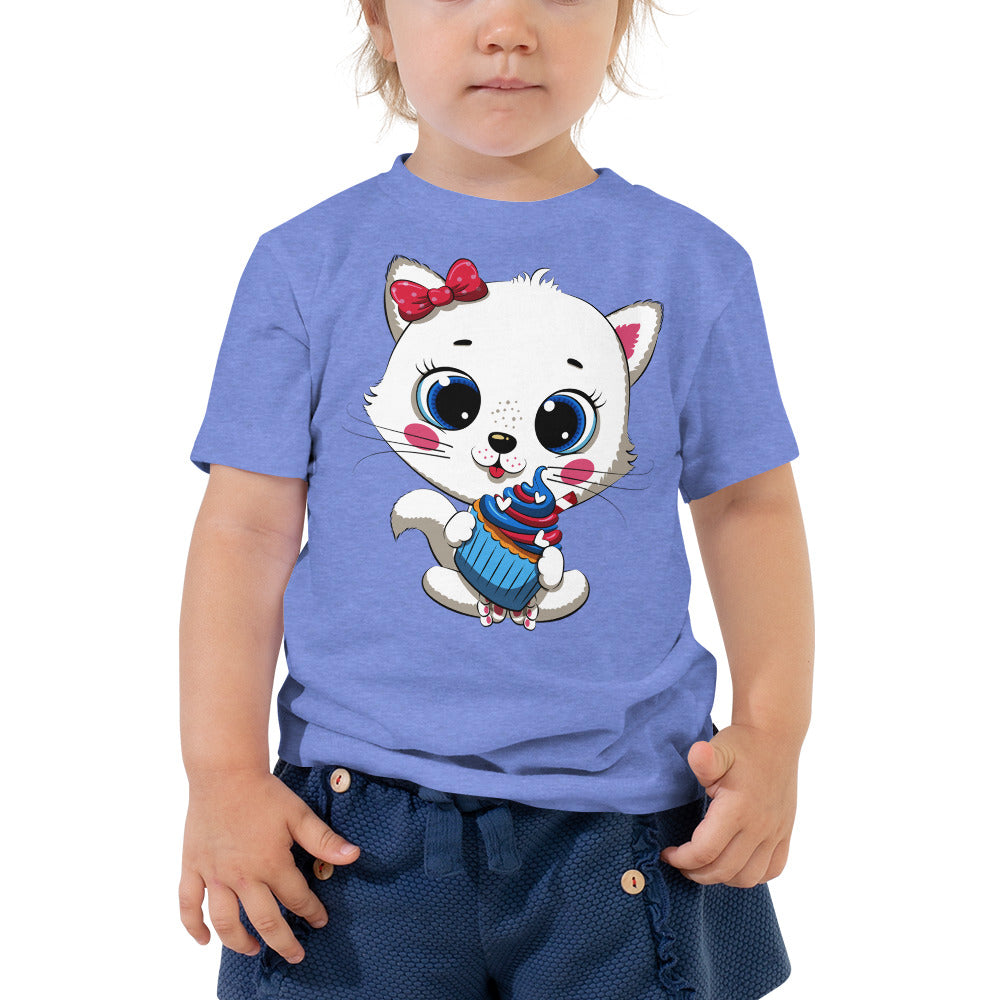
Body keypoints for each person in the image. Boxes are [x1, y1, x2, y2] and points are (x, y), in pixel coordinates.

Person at [179, 1, 814, 998]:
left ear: (621, 15)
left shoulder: (693, 265)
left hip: (628, 823)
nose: (509, 27)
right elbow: (245, 529)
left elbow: (749, 509)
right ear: (379, 16)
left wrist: (773, 736)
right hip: (350, 829)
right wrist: (221, 775)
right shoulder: (305, 262)